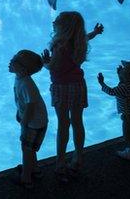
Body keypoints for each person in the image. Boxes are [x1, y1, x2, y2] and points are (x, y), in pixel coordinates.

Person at [40, 11, 103, 182]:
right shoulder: (78, 41)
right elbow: (86, 37)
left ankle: (60, 162)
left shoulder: (60, 47)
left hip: (62, 88)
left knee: (63, 124)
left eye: (57, 21)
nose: (54, 21)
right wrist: (95, 33)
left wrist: (45, 62)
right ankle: (78, 157)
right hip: (78, 86)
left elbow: (55, 67)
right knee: (77, 122)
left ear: (64, 27)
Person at [9, 49, 48, 189]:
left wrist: (24, 122)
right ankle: (35, 169)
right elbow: (23, 102)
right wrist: (19, 113)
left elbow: (31, 105)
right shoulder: (20, 78)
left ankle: (26, 178)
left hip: (33, 123)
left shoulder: (26, 84)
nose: (10, 61)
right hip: (37, 121)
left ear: (23, 69)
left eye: (15, 61)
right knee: (30, 149)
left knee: (26, 148)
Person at [97, 60, 130, 162]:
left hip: (129, 116)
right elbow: (124, 82)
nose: (122, 69)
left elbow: (112, 91)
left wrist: (102, 83)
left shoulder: (125, 87)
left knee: (129, 134)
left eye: (125, 69)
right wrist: (120, 75)